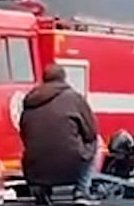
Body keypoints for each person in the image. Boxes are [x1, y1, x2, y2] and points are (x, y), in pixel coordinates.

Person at [18, 63, 99, 198]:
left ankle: (42, 191)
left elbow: (24, 134)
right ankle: (81, 190)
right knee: (96, 142)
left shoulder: (30, 101)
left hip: (35, 169)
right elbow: (91, 132)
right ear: (64, 78)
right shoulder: (74, 98)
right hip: (71, 167)